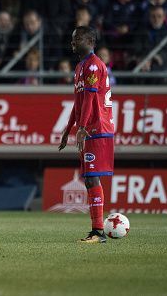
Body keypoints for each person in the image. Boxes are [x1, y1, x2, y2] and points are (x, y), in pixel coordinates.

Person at [58, 26, 114, 244]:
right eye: (72, 38)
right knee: (89, 179)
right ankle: (96, 231)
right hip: (87, 128)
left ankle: (98, 232)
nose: (72, 42)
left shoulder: (93, 66)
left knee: (92, 178)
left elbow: (91, 100)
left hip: (97, 128)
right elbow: (79, 102)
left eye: (77, 38)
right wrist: (68, 129)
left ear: (90, 40)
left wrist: (81, 127)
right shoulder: (80, 66)